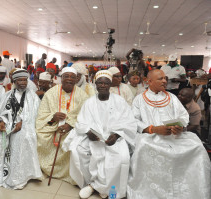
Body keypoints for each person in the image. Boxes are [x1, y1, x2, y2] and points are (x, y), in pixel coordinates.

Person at [127, 69, 211, 199]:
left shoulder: (172, 97)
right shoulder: (139, 99)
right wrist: (154, 129)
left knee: (196, 145)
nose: (165, 81)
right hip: (151, 137)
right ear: (149, 81)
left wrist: (180, 127)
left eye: (165, 78)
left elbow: (183, 116)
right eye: (160, 79)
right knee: (143, 145)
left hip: (175, 136)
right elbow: (134, 121)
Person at [62, 70, 137, 199]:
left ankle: (100, 187)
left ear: (110, 85)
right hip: (94, 137)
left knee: (122, 157)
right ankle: (91, 184)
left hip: (114, 137)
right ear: (95, 84)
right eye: (99, 83)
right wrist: (88, 132)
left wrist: (117, 135)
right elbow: (81, 121)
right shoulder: (89, 102)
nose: (102, 85)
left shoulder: (119, 101)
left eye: (106, 83)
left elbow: (129, 122)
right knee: (78, 150)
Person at [0, 69, 42, 189]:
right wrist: (1, 122)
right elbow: (1, 111)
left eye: (24, 80)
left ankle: (17, 177)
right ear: (14, 81)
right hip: (8, 125)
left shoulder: (33, 97)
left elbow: (33, 115)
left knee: (21, 137)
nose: (22, 83)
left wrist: (21, 123)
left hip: (24, 126)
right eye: (19, 80)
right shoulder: (7, 95)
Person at [36, 67, 88, 184]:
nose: (69, 79)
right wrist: (53, 118)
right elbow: (41, 115)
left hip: (73, 129)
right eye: (66, 76)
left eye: (72, 77)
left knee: (77, 140)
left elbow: (85, 117)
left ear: (76, 80)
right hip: (52, 126)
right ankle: (48, 169)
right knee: (40, 136)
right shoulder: (51, 93)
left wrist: (70, 125)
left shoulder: (82, 95)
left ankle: (69, 173)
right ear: (61, 78)